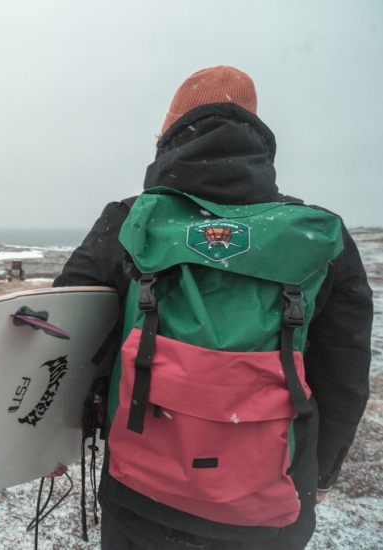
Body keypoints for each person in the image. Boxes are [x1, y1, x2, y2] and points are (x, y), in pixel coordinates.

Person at [53, 66, 373, 549]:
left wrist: (47, 437)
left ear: (168, 136)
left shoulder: (128, 221)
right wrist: (319, 475)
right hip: (269, 511)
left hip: (140, 497)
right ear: (258, 139)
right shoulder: (318, 235)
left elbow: (61, 334)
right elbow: (344, 376)